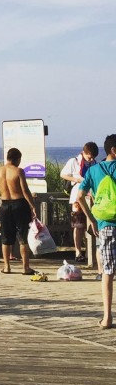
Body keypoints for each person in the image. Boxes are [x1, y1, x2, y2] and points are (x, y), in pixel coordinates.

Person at [76, 134, 116, 329]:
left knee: (108, 271)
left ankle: (107, 317)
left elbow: (80, 195)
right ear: (114, 150)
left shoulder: (93, 170)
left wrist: (91, 219)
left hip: (105, 225)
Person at [0, 148, 37, 275]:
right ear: (17, 159)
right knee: (23, 237)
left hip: (4, 205)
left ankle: (7, 267)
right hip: (19, 204)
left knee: (6, 237)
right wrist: (33, 206)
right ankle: (25, 267)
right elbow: (25, 191)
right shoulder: (18, 171)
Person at [61, 142, 98, 263]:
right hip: (77, 196)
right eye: (89, 157)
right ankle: (78, 251)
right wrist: (76, 179)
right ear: (85, 153)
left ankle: (89, 251)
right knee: (78, 225)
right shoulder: (74, 161)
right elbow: (63, 174)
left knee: (91, 225)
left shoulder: (94, 163)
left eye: (93, 157)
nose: (91, 159)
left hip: (90, 196)